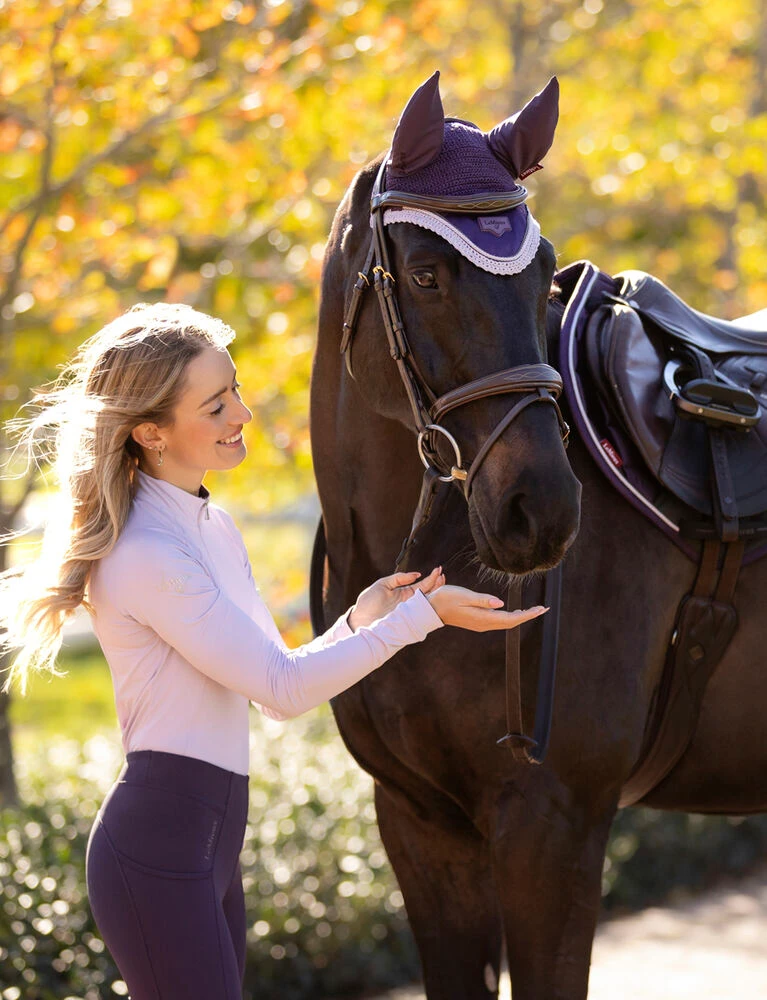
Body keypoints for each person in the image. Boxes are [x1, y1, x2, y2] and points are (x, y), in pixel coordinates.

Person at [0, 302, 547, 1000]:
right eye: (216, 405)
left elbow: (273, 687)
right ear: (150, 432)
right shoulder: (146, 553)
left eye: (234, 390)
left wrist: (363, 618)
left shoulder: (212, 527)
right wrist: (420, 620)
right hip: (160, 846)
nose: (243, 413)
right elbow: (283, 688)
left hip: (208, 841)